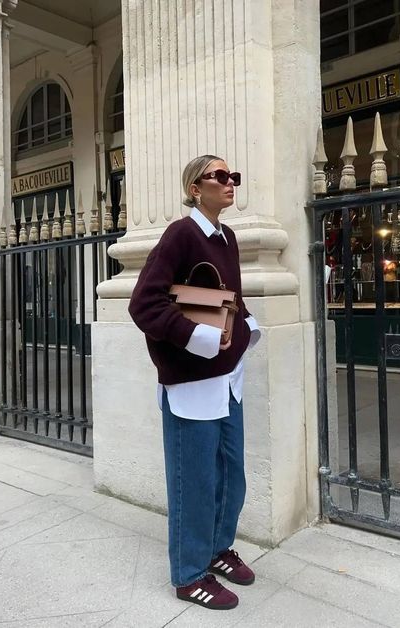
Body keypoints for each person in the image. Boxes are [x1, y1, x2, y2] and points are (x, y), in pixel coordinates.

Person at [128, 155, 260, 611]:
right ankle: (189, 573)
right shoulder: (180, 235)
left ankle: (218, 549)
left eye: (233, 177)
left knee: (231, 479)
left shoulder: (228, 238)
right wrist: (197, 337)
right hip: (190, 383)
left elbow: (232, 299)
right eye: (220, 177)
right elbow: (144, 305)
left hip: (228, 381)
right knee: (194, 482)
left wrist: (247, 328)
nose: (230, 184)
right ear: (194, 187)